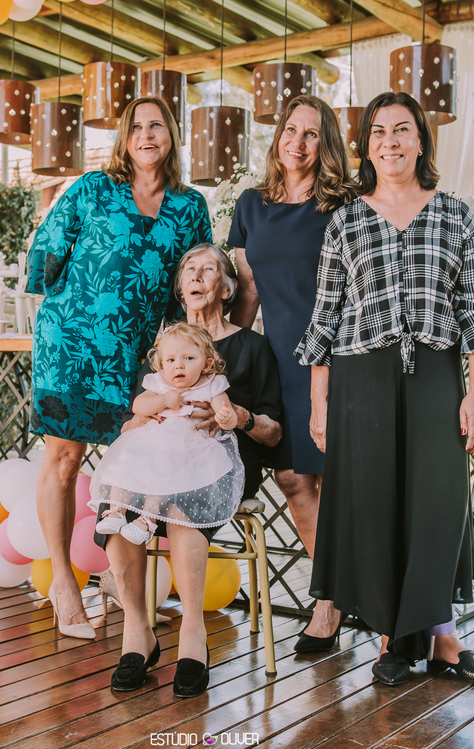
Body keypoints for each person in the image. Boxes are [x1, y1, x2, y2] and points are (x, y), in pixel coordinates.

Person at [296, 91, 474, 687]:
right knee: (376, 506)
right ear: (366, 147)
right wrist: (319, 403)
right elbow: (326, 316)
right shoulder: (346, 220)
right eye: (379, 132)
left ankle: (444, 641)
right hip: (361, 377)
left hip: (435, 375)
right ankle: (392, 639)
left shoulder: (456, 216)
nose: (390, 142)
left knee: (437, 505)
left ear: (420, 141)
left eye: (402, 130)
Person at [25, 97, 211, 641]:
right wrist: (73, 307)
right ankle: (64, 583)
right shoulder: (91, 188)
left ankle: (121, 586)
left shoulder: (190, 206)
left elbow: (192, 282)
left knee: (135, 469)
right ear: (124, 138)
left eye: (156, 126)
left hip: (139, 357)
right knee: (64, 460)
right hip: (72, 347)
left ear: (171, 135)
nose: (146, 135)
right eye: (136, 127)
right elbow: (45, 255)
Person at [98, 243, 283, 698]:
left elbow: (274, 432)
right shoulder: (166, 348)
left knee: (183, 505)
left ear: (228, 288)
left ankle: (193, 633)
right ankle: (137, 632)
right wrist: (149, 418)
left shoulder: (252, 347)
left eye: (209, 269)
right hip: (158, 459)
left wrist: (238, 417)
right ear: (181, 288)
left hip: (220, 463)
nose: (197, 277)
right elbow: (133, 415)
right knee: (116, 505)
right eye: (189, 270)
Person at [228, 94, 353, 652]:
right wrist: (221, 353)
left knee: (344, 482)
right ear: (278, 135)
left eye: (312, 133)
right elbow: (248, 290)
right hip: (279, 359)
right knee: (293, 479)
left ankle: (352, 600)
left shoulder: (345, 204)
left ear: (326, 145)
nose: (297, 143)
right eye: (290, 130)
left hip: (341, 358)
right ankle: (331, 597)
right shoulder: (250, 205)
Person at [90, 322, 244, 546]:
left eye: (189, 358)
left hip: (189, 447)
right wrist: (163, 400)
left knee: (164, 471)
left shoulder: (211, 383)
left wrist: (227, 418)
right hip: (151, 441)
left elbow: (225, 408)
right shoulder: (159, 382)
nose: (178, 365)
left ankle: (147, 520)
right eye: (171, 360)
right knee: (126, 460)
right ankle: (116, 512)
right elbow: (138, 406)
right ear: (162, 365)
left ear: (207, 364)